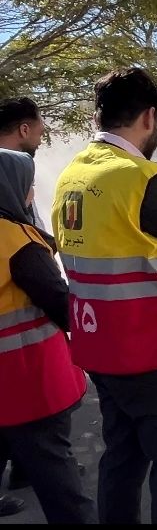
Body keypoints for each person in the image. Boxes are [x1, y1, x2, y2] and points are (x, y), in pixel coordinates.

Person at [51, 67, 157, 524]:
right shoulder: (141, 177)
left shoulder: (71, 176)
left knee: (122, 457)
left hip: (99, 346)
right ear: (149, 117)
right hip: (151, 350)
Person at [0, 149, 95, 523]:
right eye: (29, 183)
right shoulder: (18, 242)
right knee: (59, 477)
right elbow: (61, 304)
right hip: (26, 379)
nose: (32, 191)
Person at [0, 97, 50, 512]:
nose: (43, 133)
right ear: (23, 129)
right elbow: (26, 229)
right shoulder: (12, 169)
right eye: (39, 126)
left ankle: (26, 467)